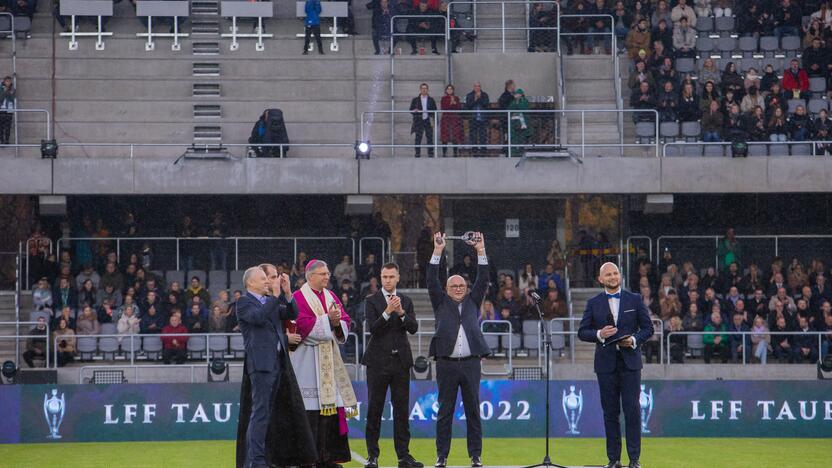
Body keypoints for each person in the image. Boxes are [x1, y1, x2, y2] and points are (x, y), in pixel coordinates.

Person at [236, 264, 316, 468]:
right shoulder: (245, 303)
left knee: (267, 414)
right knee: (260, 413)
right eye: (263, 279)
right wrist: (275, 296)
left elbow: (291, 312)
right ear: (250, 282)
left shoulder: (267, 302)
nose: (267, 282)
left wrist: (288, 294)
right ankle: (257, 461)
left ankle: (261, 459)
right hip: (261, 365)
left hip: (275, 364)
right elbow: (258, 318)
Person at [578, 263, 652, 468]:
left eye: (615, 273)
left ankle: (634, 460)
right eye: (608, 274)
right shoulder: (593, 303)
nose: (613, 276)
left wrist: (634, 340)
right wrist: (599, 334)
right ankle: (614, 460)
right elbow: (582, 332)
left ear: (620, 275)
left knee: (633, 411)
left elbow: (648, 328)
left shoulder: (634, 299)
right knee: (610, 413)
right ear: (600, 279)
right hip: (605, 365)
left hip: (630, 363)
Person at [428, 232, 490, 468]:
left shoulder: (474, 301)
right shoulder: (440, 301)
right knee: (445, 412)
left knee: (473, 412)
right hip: (446, 364)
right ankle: (441, 456)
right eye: (453, 285)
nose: (457, 288)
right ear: (446, 288)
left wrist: (481, 251)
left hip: (472, 363)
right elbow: (430, 278)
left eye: (461, 285)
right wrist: (437, 251)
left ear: (467, 287)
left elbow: (483, 277)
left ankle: (475, 456)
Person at [291, 260, 358, 467]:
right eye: (322, 274)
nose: (327, 277)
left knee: (330, 417)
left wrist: (338, 323)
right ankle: (308, 458)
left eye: (328, 273)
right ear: (310, 275)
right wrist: (328, 320)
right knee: (310, 415)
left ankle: (328, 457)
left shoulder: (331, 296)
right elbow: (300, 325)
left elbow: (346, 320)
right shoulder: (298, 297)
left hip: (329, 358)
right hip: (307, 363)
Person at [362, 263, 422, 468]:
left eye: (391, 277)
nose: (387, 280)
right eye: (384, 276)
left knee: (402, 411)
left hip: (400, 363)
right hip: (377, 363)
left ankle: (403, 456)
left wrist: (402, 313)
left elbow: (413, 328)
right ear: (380, 278)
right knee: (374, 410)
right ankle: (372, 456)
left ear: (398, 278)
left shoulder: (406, 300)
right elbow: (373, 329)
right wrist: (387, 312)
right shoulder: (371, 301)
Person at [410, 83, 437, 158]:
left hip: (428, 120)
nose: (424, 90)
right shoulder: (415, 100)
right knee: (418, 138)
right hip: (419, 120)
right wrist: (414, 110)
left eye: (425, 88)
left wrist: (434, 121)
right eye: (422, 88)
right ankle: (417, 154)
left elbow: (435, 110)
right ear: (420, 89)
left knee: (430, 137)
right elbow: (411, 110)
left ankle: (430, 153)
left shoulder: (431, 100)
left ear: (427, 90)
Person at [465, 82, 490, 157]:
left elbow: (486, 104)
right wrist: (475, 99)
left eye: (478, 86)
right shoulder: (469, 95)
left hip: (482, 119)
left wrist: (480, 98)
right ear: (473, 87)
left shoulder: (484, 95)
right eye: (475, 86)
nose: (477, 88)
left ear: (480, 87)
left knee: (483, 136)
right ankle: (475, 151)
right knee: (473, 136)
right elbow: (468, 105)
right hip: (473, 118)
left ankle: (483, 151)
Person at [439, 84, 463, 157]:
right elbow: (443, 107)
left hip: (454, 120)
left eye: (451, 89)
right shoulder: (443, 98)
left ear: (453, 90)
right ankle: (444, 153)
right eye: (448, 89)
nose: (449, 90)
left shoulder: (456, 98)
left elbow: (459, 107)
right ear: (446, 90)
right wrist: (450, 103)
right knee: (445, 137)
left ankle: (455, 153)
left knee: (455, 136)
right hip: (446, 119)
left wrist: (454, 103)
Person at [507, 88, 532, 157]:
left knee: (521, 138)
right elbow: (509, 109)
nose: (516, 95)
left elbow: (524, 109)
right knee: (513, 138)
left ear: (521, 94)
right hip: (514, 123)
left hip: (522, 123)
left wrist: (518, 103)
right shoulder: (513, 101)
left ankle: (520, 152)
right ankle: (513, 152)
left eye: (517, 94)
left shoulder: (524, 101)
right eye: (515, 94)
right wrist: (516, 103)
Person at [0, 76, 15, 144]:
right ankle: (2, 140)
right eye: (7, 81)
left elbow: (12, 98)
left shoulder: (13, 89)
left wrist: (8, 92)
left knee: (8, 126)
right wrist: (5, 91)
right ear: (4, 81)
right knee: (1, 126)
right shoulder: (0, 88)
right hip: (2, 109)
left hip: (9, 109)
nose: (8, 83)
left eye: (9, 81)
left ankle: (7, 140)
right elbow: (1, 98)